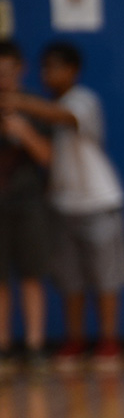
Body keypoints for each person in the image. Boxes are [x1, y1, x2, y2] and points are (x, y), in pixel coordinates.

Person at [6, 41, 124, 371]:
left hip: (99, 201)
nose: (50, 74)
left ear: (74, 70)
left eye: (57, 67)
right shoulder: (42, 107)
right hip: (63, 205)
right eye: (46, 68)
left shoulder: (81, 101)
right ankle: (74, 340)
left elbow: (65, 118)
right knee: (70, 280)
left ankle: (108, 341)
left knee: (105, 278)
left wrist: (16, 100)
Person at [0, 40, 53, 377]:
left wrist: (24, 132)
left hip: (30, 203)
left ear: (21, 70)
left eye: (8, 70)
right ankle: (3, 348)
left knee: (32, 276)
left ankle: (35, 347)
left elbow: (48, 157)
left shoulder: (37, 109)